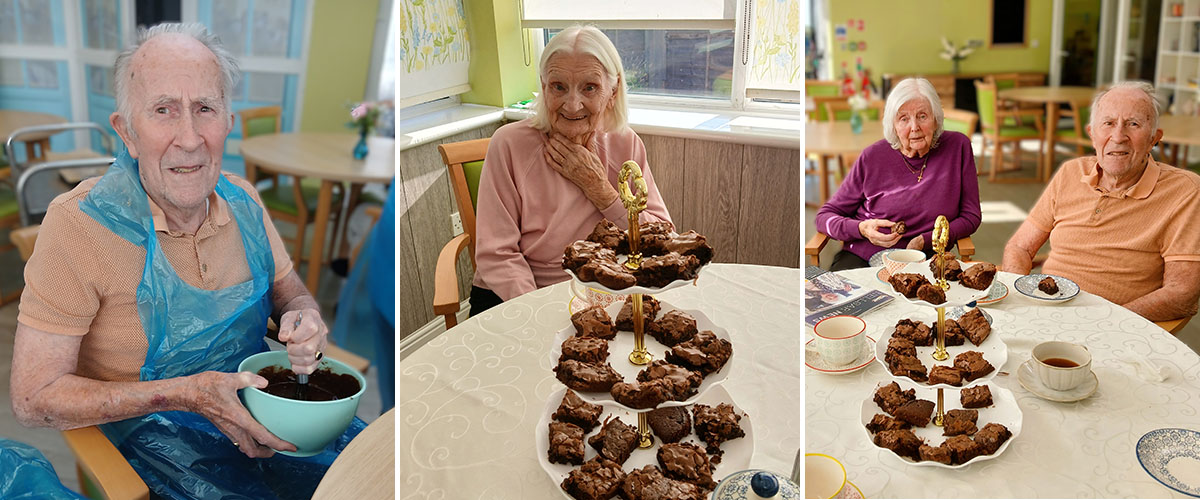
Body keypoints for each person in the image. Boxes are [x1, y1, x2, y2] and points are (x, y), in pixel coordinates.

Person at [10, 23, 361, 499]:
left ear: (227, 122)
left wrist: (305, 314)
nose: (190, 138)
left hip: (263, 410)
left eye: (204, 109)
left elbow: (289, 292)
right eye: (164, 111)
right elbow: (33, 398)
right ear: (127, 132)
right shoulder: (78, 225)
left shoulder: (244, 200)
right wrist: (186, 393)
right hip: (156, 445)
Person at [471, 25, 671, 313]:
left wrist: (601, 191)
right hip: (518, 295)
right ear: (544, 87)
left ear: (612, 92)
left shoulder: (625, 143)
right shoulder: (509, 144)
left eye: (589, 87)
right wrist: (540, 312)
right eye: (559, 86)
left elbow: (662, 239)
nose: (573, 105)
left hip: (603, 293)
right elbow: (498, 254)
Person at [1002, 82, 1200, 322]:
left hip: (1115, 325)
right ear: (1092, 135)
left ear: (1153, 139)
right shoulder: (1071, 172)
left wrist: (1106, 321)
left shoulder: (1184, 191)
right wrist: (1019, 295)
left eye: (1133, 124)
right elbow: (1020, 247)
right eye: (1108, 123)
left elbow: (1182, 292)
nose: (1118, 137)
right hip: (1043, 310)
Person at [814, 78, 982, 271]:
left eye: (922, 116)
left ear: (936, 119)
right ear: (893, 125)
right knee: (839, 289)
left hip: (926, 259)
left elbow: (971, 216)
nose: (914, 127)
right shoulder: (872, 157)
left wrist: (925, 240)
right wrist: (862, 229)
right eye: (904, 119)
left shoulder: (958, 147)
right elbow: (824, 217)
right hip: (863, 256)